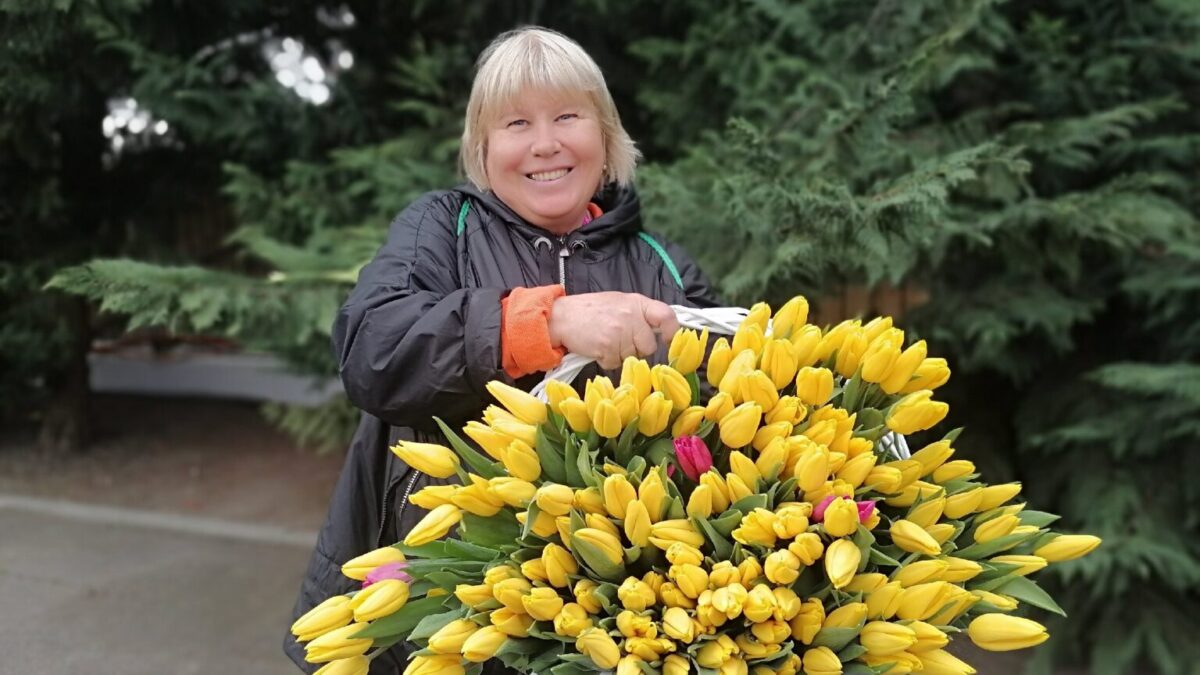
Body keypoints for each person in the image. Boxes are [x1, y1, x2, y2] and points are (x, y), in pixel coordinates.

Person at [284, 26, 720, 673]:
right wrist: (549, 321)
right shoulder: (442, 228)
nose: (545, 143)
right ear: (483, 150)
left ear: (604, 138)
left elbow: (731, 410)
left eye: (567, 116)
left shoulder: (661, 264)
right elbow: (373, 347)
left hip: (629, 618)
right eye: (516, 123)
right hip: (454, 607)